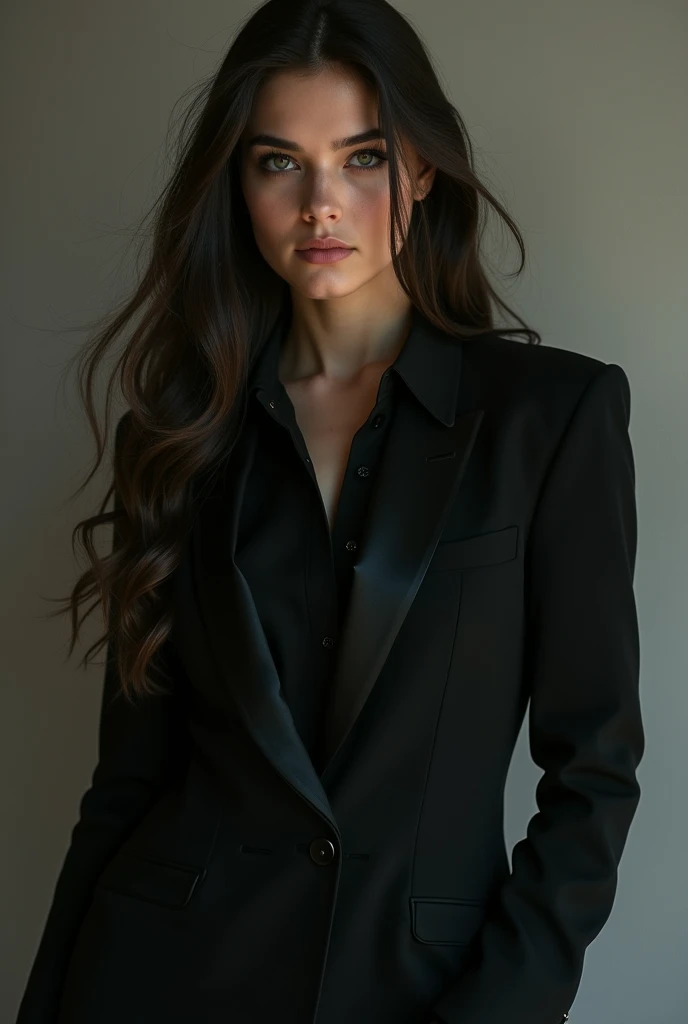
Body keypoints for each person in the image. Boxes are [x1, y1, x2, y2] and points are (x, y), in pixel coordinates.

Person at [16, 1, 644, 1022]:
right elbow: (127, 786)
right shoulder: (177, 438)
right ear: (237, 182)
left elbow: (595, 776)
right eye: (278, 163)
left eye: (362, 157)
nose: (321, 204)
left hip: (414, 992)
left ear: (423, 168)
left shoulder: (550, 420)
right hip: (161, 980)